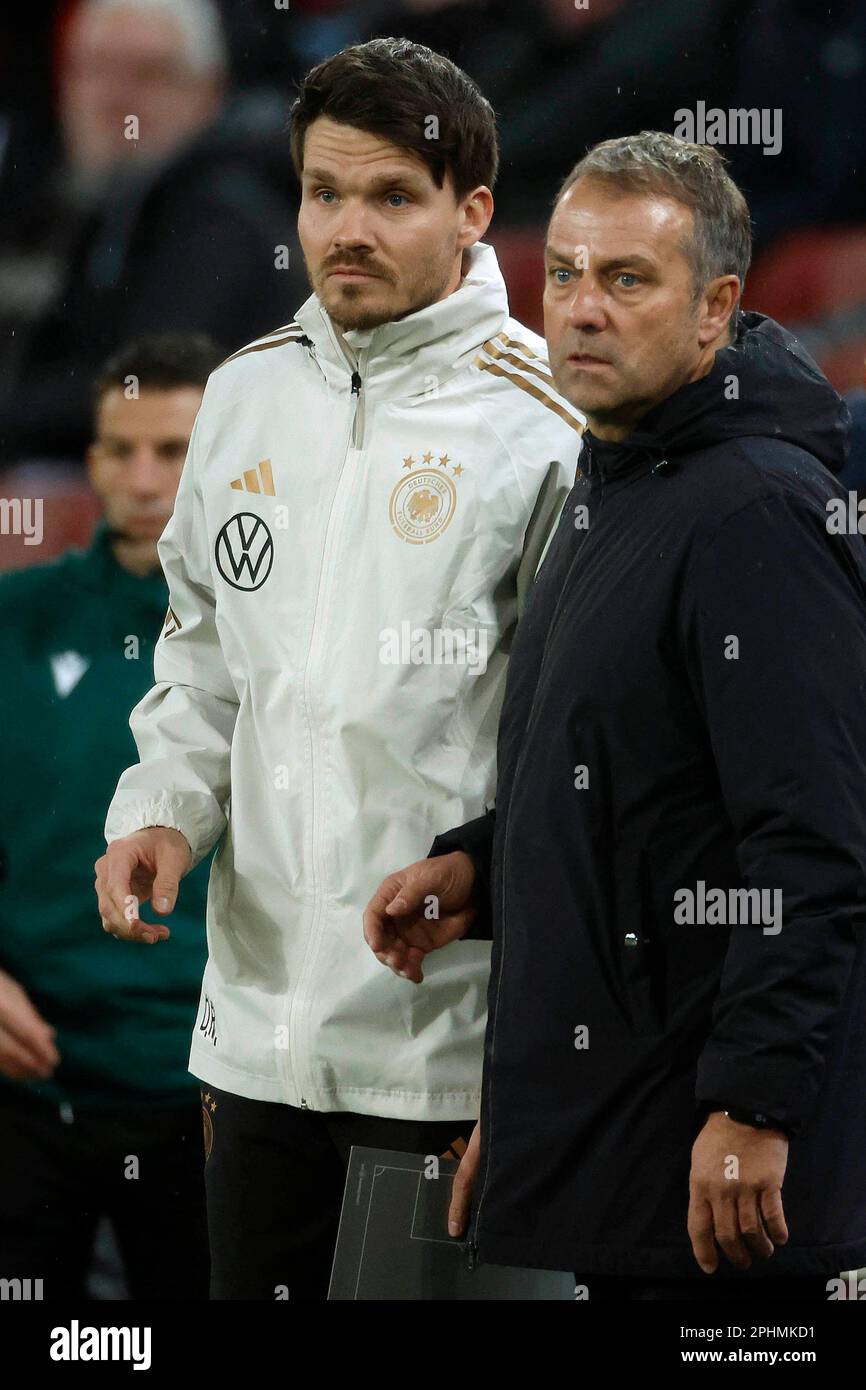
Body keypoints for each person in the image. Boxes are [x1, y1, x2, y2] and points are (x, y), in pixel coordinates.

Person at [94, 38, 585, 1302]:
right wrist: (162, 810)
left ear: (472, 211)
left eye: (389, 197)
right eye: (322, 193)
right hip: (250, 1039)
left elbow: (577, 757)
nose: (345, 228)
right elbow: (201, 657)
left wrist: (537, 1067)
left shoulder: (542, 426)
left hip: (445, 1055)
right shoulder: (246, 399)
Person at [365, 131, 866, 1300]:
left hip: (723, 1181)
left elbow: (812, 845)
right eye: (566, 276)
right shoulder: (622, 475)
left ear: (716, 309)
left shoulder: (754, 513)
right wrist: (478, 871)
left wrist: (753, 1104)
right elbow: (635, 784)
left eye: (626, 280)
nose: (580, 310)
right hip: (634, 1136)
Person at [0, 332, 222, 1300]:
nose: (142, 477)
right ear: (88, 460)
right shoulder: (15, 618)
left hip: (213, 1087)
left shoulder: (273, 639)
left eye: (172, 451)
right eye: (119, 448)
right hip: (28, 1082)